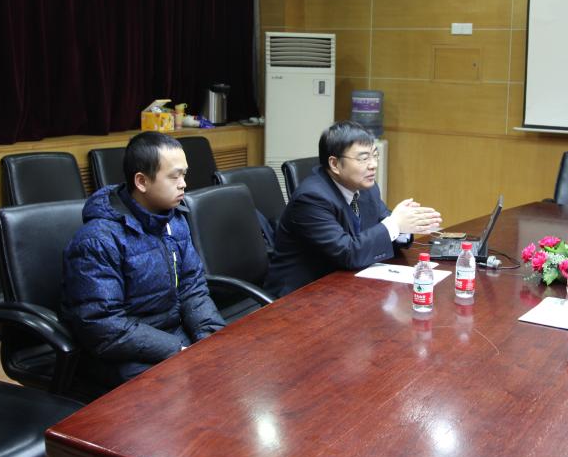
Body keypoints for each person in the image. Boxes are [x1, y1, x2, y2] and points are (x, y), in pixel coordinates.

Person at [62, 131, 225, 387]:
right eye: (174, 176)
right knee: (193, 393)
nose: (183, 184)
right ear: (141, 181)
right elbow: (102, 325)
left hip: (173, 339)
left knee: (226, 370)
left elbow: (192, 288)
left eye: (184, 175)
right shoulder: (97, 240)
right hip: (123, 355)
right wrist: (177, 349)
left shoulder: (174, 220)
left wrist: (212, 338)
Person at [265, 121, 442, 297]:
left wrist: (405, 227)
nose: (373, 165)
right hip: (300, 295)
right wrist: (395, 224)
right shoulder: (311, 199)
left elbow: (381, 225)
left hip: (342, 283)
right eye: (363, 158)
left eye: (375, 155)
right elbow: (347, 252)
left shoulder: (367, 188)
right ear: (335, 164)